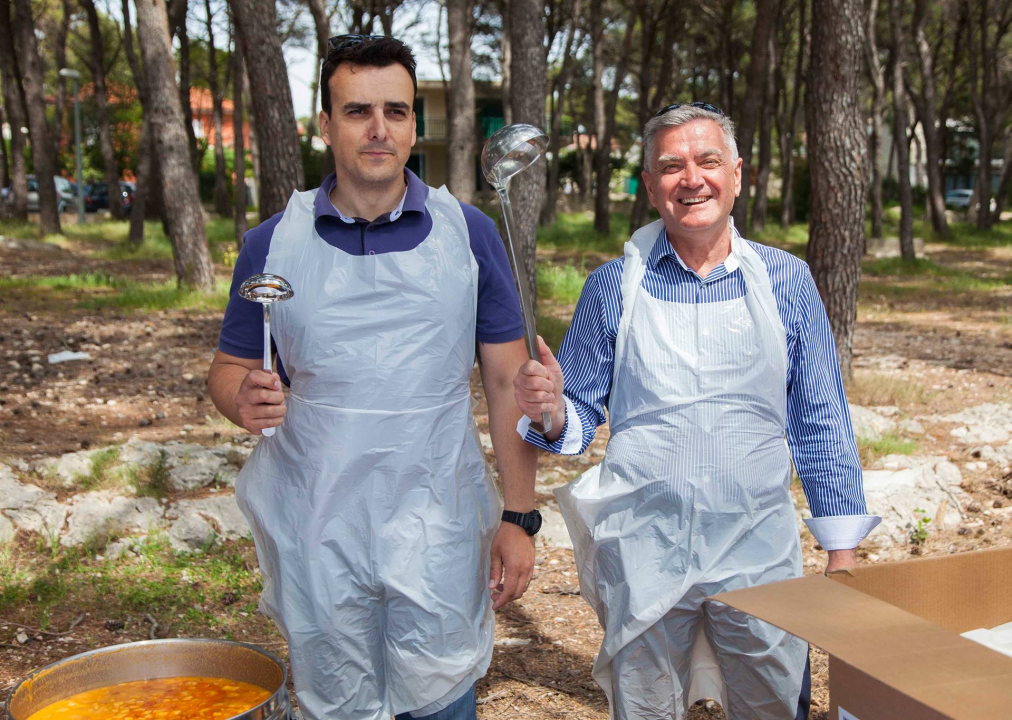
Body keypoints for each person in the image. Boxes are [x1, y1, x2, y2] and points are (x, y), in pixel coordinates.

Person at [208, 36, 542, 720]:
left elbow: (509, 383)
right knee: (334, 701)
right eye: (358, 110)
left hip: (438, 520)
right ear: (326, 125)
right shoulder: (272, 243)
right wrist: (240, 398)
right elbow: (228, 371)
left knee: (442, 698)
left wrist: (518, 515)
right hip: (317, 518)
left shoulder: (468, 233)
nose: (379, 128)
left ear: (414, 121)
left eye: (396, 109)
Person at [513, 103, 880, 719]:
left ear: (737, 173)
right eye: (671, 166)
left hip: (756, 547)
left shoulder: (787, 279)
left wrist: (840, 550)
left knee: (769, 703)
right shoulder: (613, 286)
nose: (692, 179)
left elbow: (820, 419)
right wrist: (550, 409)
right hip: (644, 549)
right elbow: (574, 420)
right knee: (647, 706)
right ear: (652, 186)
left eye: (708, 161)